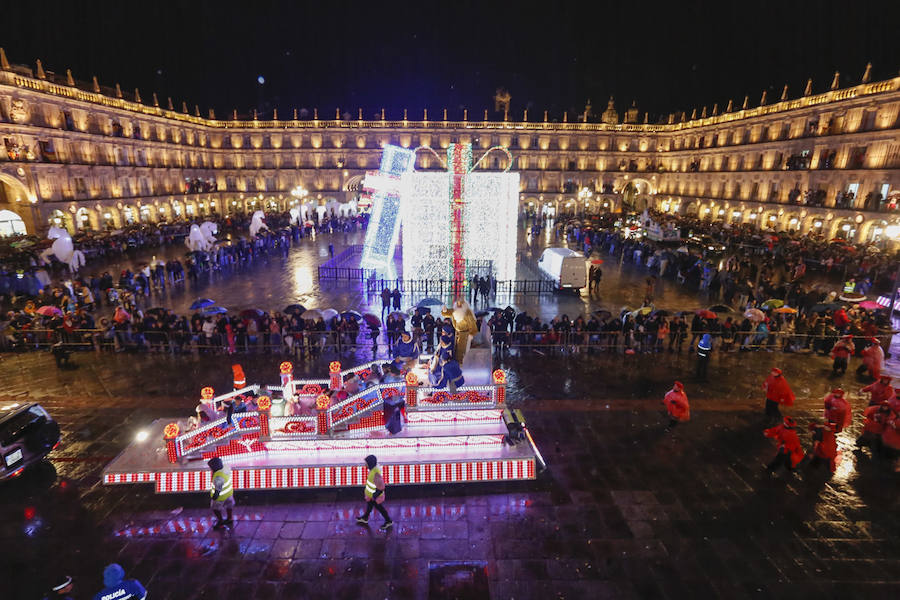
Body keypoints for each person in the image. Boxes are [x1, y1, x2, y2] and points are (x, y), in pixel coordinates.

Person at [356, 455, 393, 531]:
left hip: (375, 497)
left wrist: (374, 496)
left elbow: (381, 487)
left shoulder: (375, 474)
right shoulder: (373, 471)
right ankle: (365, 517)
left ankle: (388, 521)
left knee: (380, 508)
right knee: (370, 506)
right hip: (372, 496)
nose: (365, 465)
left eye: (366, 463)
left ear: (370, 464)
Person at [208, 457, 234, 529]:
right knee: (229, 506)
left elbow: (218, 489)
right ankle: (230, 518)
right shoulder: (226, 467)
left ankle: (221, 522)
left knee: (216, 509)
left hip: (220, 497)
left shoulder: (218, 476)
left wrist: (214, 497)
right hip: (229, 493)